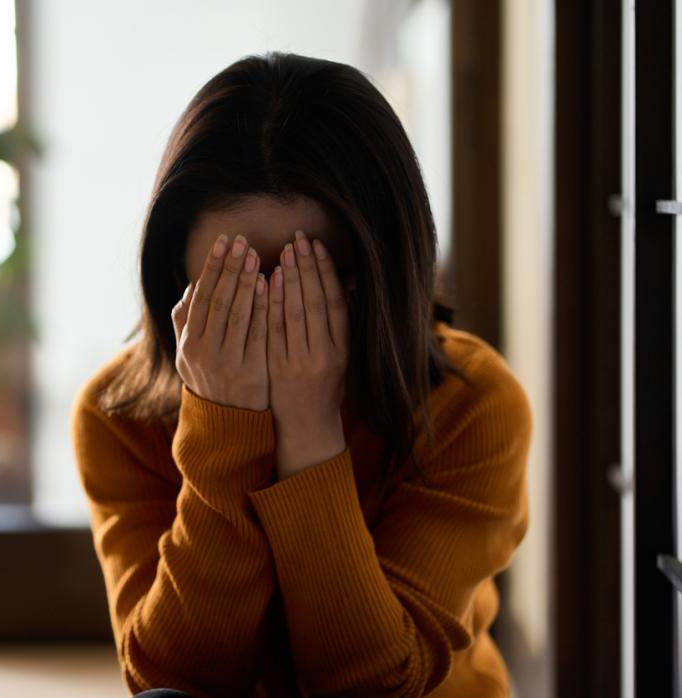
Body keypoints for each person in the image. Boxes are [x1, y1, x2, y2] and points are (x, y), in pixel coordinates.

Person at [70, 51, 532, 698]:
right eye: (230, 287)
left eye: (311, 283)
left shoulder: (473, 403)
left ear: (382, 272)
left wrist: (310, 433)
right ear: (177, 278)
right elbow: (169, 680)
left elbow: (379, 685)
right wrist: (223, 429)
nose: (277, 317)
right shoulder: (118, 414)